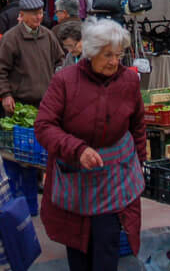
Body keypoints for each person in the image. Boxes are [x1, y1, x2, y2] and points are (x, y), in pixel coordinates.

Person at [36, 19, 146, 271]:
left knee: (107, 245)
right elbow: (44, 126)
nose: (114, 61)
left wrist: (140, 162)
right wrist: (78, 149)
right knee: (78, 249)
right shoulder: (64, 81)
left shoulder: (129, 82)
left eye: (118, 55)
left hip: (115, 176)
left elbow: (138, 125)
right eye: (107, 55)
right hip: (75, 177)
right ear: (91, 52)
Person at [0, 0, 64, 115]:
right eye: (34, 14)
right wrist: (5, 95)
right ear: (22, 15)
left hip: (47, 101)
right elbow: (0, 71)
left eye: (40, 13)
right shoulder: (10, 38)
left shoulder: (48, 35)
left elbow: (60, 61)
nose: (39, 17)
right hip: (20, 104)